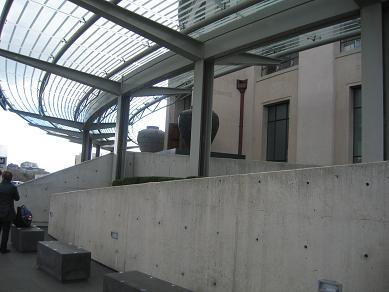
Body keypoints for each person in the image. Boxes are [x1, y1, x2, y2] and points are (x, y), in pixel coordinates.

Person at [0, 171, 20, 253]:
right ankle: (3, 249)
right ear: (11, 178)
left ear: (3, 177)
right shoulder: (13, 187)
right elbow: (17, 198)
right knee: (5, 231)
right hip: (8, 213)